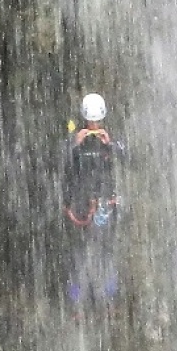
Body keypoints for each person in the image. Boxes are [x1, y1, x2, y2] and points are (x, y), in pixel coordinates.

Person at [61, 92, 126, 312]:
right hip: (81, 206)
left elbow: (128, 156)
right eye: (90, 121)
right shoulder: (74, 140)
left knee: (106, 253)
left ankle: (108, 299)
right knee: (79, 254)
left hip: (105, 205)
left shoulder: (109, 139)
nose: (94, 125)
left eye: (97, 121)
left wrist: (111, 145)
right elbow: (59, 161)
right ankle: (76, 302)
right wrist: (74, 145)